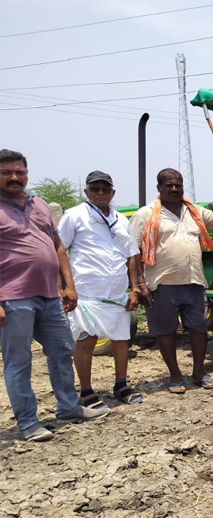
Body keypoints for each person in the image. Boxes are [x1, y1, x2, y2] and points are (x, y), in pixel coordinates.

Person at [0, 149, 110, 442]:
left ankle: (68, 408)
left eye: (20, 172)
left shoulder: (39, 204)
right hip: (12, 297)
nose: (14, 177)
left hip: (50, 294)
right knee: (19, 361)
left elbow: (58, 246)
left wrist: (69, 285)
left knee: (62, 352)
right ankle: (27, 422)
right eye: (7, 172)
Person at [130, 168, 213, 394]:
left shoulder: (193, 211)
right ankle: (175, 375)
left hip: (194, 281)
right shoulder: (145, 214)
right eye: (169, 185)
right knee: (166, 331)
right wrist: (140, 285)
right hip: (161, 284)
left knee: (199, 329)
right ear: (159, 188)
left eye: (178, 185)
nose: (174, 189)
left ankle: (198, 372)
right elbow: (133, 252)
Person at [59, 170, 149, 409]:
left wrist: (134, 288)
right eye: (95, 189)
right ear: (86, 191)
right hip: (86, 293)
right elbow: (59, 251)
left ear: (112, 192)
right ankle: (86, 392)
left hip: (117, 294)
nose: (101, 193)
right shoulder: (74, 216)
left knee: (121, 340)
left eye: (105, 189)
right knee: (86, 341)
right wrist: (65, 287)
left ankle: (121, 385)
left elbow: (132, 256)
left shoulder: (120, 219)